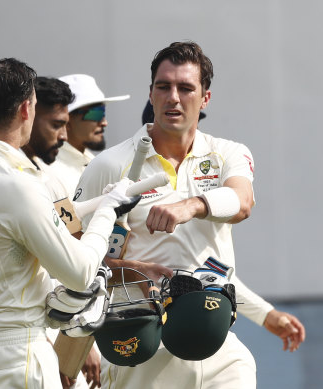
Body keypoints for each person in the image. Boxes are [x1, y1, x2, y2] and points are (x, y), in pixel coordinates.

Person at [75, 42, 306, 388]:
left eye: (185, 88)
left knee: (243, 365)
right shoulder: (108, 165)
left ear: (205, 98)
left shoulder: (228, 152)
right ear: (150, 94)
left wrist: (191, 206)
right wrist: (134, 272)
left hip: (217, 346)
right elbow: (69, 253)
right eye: (163, 86)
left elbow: (241, 205)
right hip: (142, 350)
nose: (173, 98)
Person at [0, 58, 138, 389]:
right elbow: (80, 272)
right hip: (18, 355)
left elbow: (18, 225)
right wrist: (108, 211)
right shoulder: (19, 185)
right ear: (24, 110)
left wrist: (97, 202)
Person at [20, 76, 100, 389]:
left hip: (47, 330)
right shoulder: (21, 179)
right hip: (28, 338)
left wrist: (79, 338)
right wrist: (79, 338)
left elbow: (75, 246)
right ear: (27, 113)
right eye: (56, 123)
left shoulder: (48, 180)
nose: (63, 135)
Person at [49, 74, 129, 196]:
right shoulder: (50, 174)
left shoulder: (92, 161)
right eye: (95, 113)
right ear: (66, 120)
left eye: (103, 111)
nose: (104, 122)